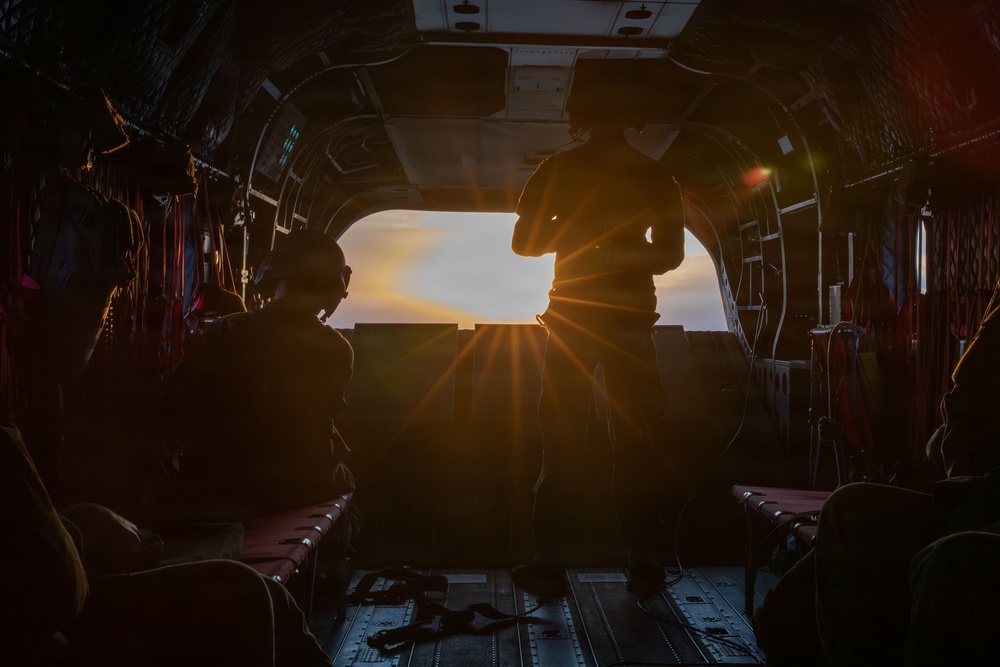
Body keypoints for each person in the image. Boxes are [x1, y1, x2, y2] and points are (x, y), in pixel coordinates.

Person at [753, 279, 1000, 666]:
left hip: (983, 504)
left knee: (951, 560)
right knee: (849, 509)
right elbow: (970, 398)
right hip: (966, 489)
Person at [510, 111, 686, 599]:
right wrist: (619, 249)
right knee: (639, 441)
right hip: (629, 322)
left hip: (573, 319)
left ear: (577, 118)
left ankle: (550, 563)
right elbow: (669, 256)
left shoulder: (555, 171)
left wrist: (575, 230)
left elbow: (524, 243)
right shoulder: (655, 176)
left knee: (560, 439)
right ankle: (645, 563)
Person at [1, 418, 333, 667]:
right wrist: (79, 529)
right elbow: (56, 592)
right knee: (241, 590)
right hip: (44, 628)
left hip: (55, 609)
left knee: (270, 592)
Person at [154, 228, 355, 521]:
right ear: (332, 287)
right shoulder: (335, 349)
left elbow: (173, 403)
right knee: (347, 478)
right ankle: (335, 556)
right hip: (293, 484)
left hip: (218, 479)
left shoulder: (223, 329)